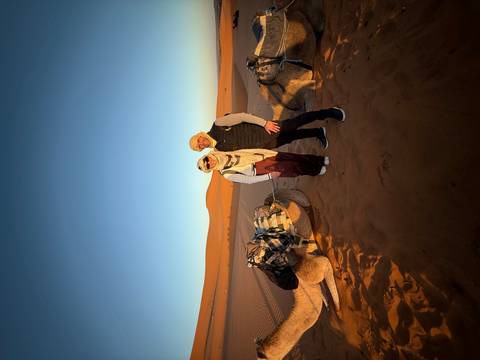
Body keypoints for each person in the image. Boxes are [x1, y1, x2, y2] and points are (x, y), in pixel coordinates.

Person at [189, 107, 345, 152]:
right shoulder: (219, 150)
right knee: (293, 137)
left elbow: (243, 116)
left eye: (199, 141)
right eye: (199, 147)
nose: (202, 144)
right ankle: (318, 132)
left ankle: (330, 112)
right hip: (264, 145)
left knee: (295, 123)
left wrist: (264, 123)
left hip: (264, 130)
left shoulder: (217, 124)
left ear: (200, 135)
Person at [196, 148, 329, 184]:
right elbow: (248, 180)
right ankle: (316, 169)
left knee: (292, 157)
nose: (210, 162)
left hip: (261, 154)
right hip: (259, 169)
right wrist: (269, 176)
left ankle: (319, 160)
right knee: (293, 168)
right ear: (210, 169)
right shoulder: (226, 174)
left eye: (207, 160)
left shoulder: (222, 152)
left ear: (208, 156)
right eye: (208, 166)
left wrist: (262, 152)